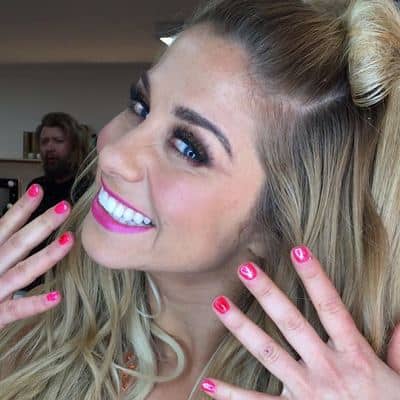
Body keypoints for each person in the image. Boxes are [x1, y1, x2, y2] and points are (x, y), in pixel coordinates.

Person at [0, 0, 400, 399]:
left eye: (188, 148)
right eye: (141, 107)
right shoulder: (28, 335)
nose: (113, 155)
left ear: (274, 225)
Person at [22, 112, 92, 290]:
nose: (49, 147)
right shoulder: (36, 187)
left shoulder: (88, 188)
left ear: (74, 146)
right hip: (34, 285)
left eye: (58, 141)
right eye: (44, 142)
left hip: (74, 285)